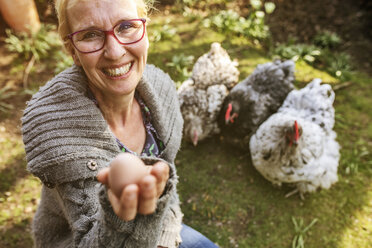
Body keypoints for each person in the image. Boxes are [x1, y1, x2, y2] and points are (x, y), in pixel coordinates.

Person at [21, 0, 219, 247]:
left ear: (145, 31)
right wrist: (118, 220)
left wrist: (165, 235)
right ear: (72, 50)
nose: (114, 52)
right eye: (90, 35)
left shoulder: (161, 92)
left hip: (161, 226)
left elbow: (166, 177)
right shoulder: (58, 138)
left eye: (126, 26)